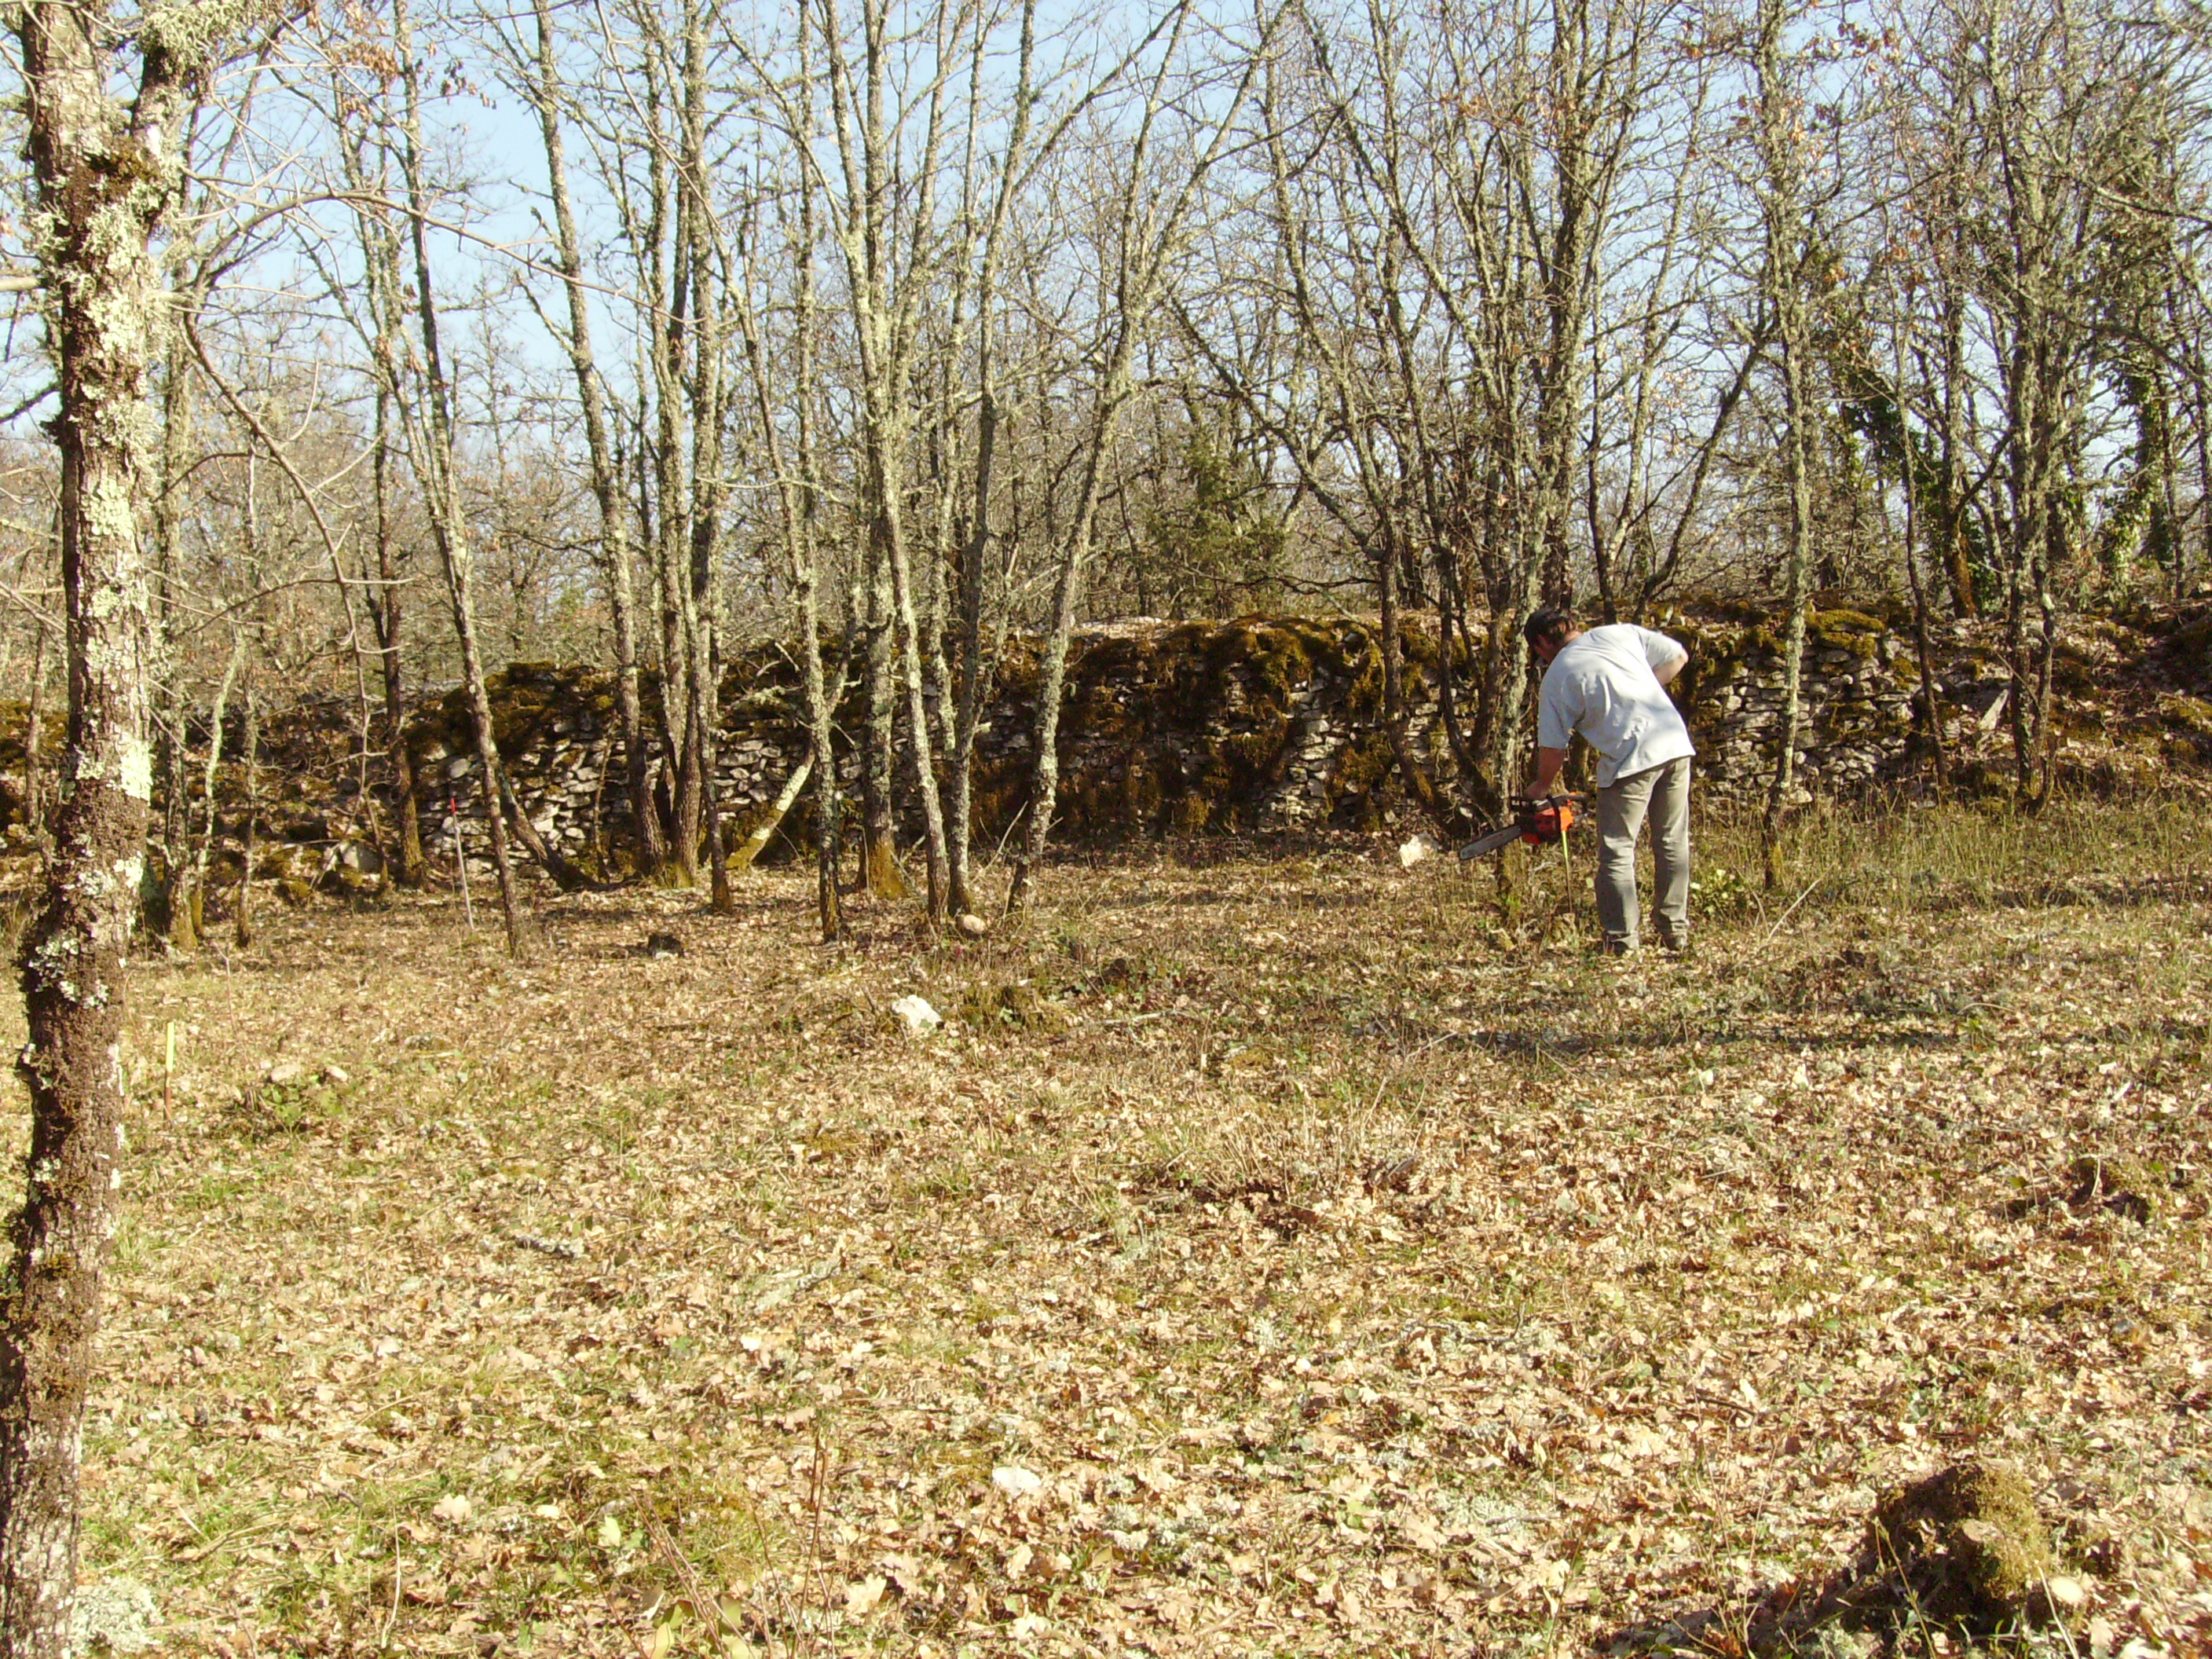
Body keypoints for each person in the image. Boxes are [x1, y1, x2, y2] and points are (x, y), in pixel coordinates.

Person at [1522, 606, 1694, 955]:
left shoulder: (1558, 676)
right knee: (1672, 841)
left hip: (1631, 758)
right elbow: (1679, 655)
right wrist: (1644, 688)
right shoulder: (1619, 633)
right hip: (1674, 743)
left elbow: (1553, 749)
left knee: (1617, 852)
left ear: (1541, 642)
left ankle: (1622, 942)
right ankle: (1674, 933)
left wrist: (1541, 786)